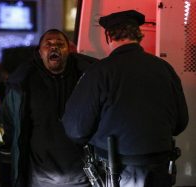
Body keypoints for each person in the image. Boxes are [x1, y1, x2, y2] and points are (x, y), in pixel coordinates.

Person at [62, 10, 189, 187]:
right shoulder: (164, 69)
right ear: (138, 35)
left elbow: (76, 129)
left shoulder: (98, 72)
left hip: (118, 172)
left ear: (108, 36)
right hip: (160, 169)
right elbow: (181, 123)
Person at [2, 29, 99, 187]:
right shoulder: (22, 83)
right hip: (41, 178)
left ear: (69, 50)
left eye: (60, 44)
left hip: (81, 177)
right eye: (48, 44)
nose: (54, 47)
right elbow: (11, 127)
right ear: (40, 52)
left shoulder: (87, 78)